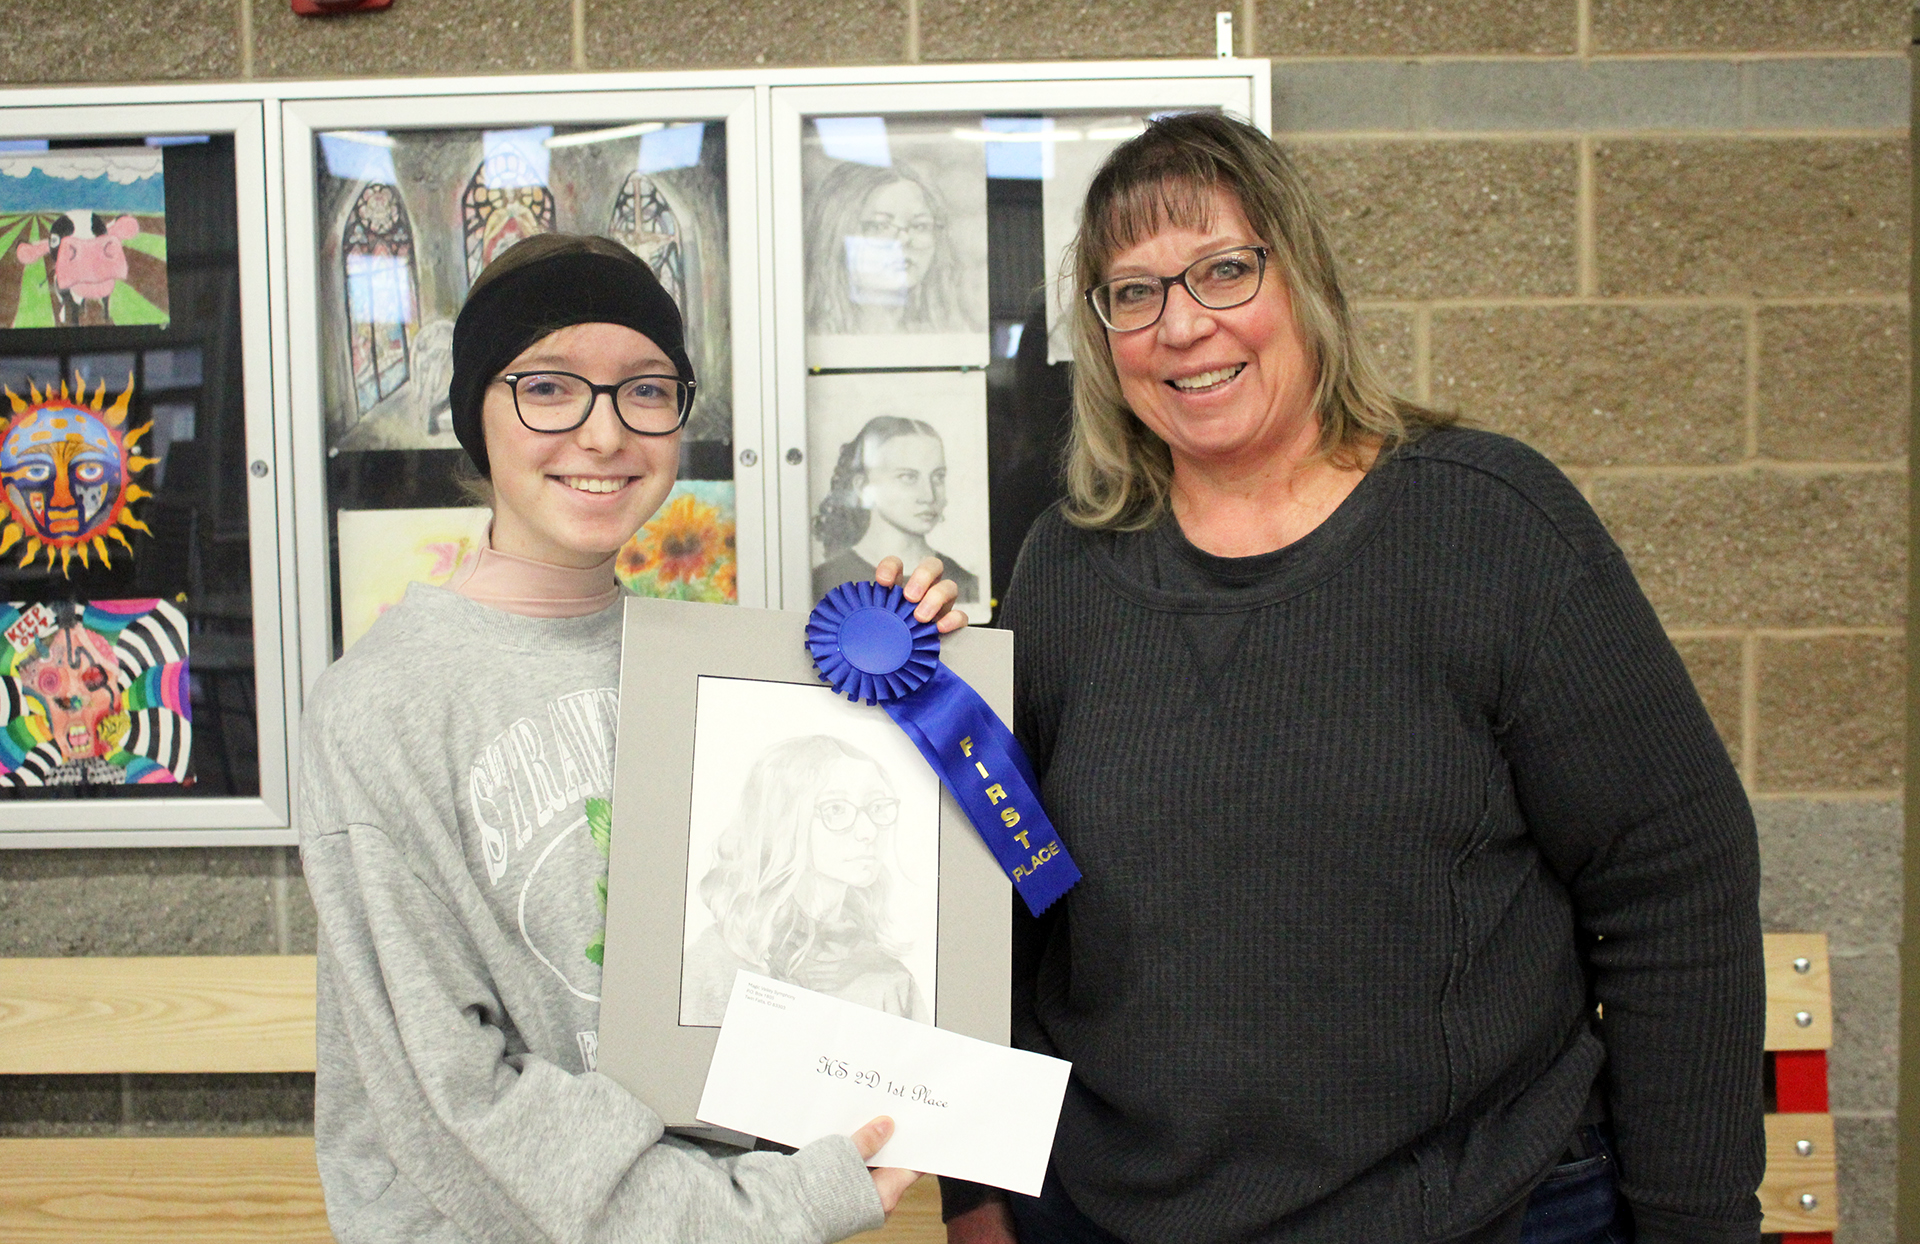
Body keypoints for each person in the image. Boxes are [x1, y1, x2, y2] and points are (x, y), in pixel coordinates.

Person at [943, 113, 1764, 1244]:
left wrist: (1695, 1221)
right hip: (1109, 1214)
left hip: (1480, 1211)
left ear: (1306, 278)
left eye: (1224, 269)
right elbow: (1004, 905)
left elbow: (1675, 878)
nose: (1183, 325)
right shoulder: (1067, 566)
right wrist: (975, 1190)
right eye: (1132, 293)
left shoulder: (1491, 526)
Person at [298, 232, 967, 1244]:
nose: (604, 433)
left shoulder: (710, 668)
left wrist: (923, 680)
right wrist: (772, 1206)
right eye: (550, 387)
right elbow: (454, 1099)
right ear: (475, 411)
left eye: (645, 390)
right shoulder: (381, 703)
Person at [682, 734, 929, 1026]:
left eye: (877, 807)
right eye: (836, 808)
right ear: (783, 821)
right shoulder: (718, 961)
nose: (869, 831)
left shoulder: (891, 980)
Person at [812, 415, 979, 603]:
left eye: (938, 477)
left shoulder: (965, 584)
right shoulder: (822, 582)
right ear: (862, 485)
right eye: (908, 477)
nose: (929, 496)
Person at [805, 160, 966, 336]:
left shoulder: (947, 333)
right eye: (880, 226)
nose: (904, 239)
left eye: (920, 226)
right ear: (837, 235)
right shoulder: (813, 336)